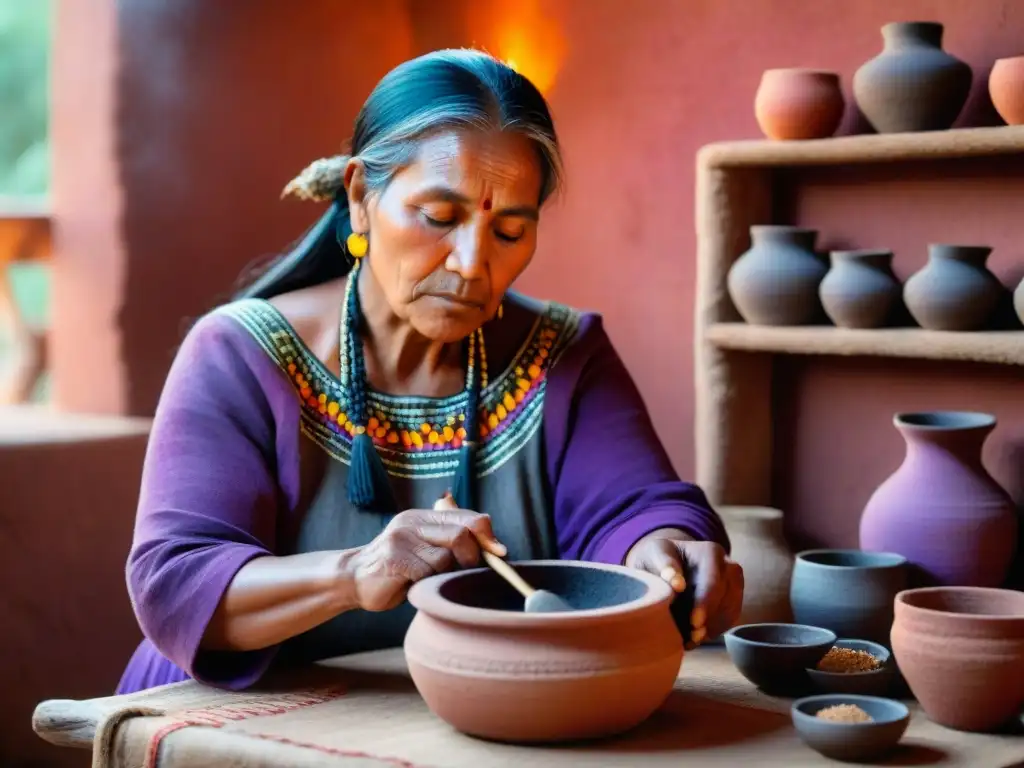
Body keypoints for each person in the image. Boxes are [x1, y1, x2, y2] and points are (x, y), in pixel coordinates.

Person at [117, 49, 743, 695]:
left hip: (472, 724)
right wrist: (357, 572)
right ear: (361, 198)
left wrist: (662, 552)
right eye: (439, 218)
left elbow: (635, 508)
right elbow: (176, 584)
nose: (472, 263)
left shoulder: (563, 352)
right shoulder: (240, 354)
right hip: (227, 728)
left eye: (507, 231)